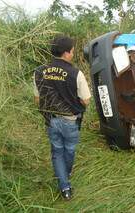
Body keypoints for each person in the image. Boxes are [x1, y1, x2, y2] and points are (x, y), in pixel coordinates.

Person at [33, 35, 91, 200]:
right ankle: (66, 177)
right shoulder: (75, 73)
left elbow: (37, 99)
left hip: (50, 120)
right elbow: (86, 100)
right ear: (66, 53)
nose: (73, 54)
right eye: (72, 51)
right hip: (70, 120)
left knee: (57, 151)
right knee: (69, 149)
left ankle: (64, 186)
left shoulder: (39, 71)